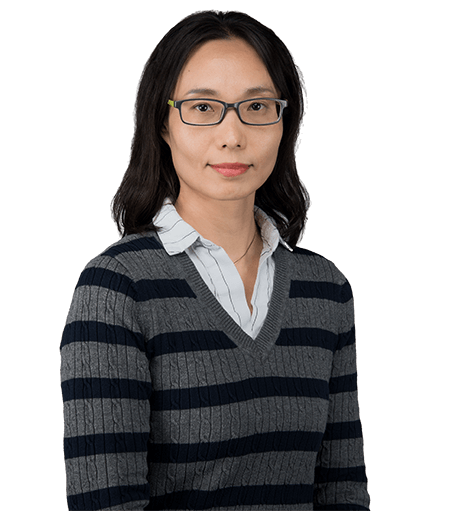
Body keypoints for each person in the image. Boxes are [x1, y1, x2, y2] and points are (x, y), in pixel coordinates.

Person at [60, 10, 370, 511]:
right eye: (203, 107)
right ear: (163, 123)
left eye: (257, 106)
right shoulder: (118, 288)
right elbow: (105, 502)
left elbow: (344, 490)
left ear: (285, 122)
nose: (232, 135)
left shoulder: (326, 290)